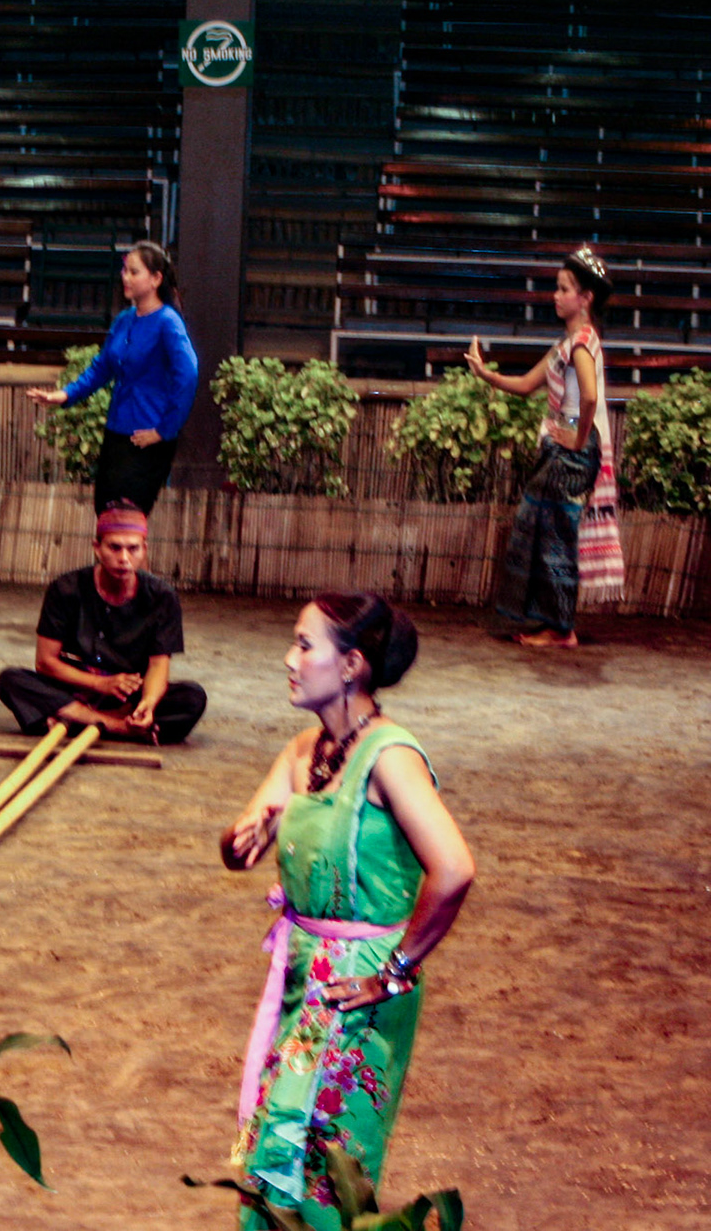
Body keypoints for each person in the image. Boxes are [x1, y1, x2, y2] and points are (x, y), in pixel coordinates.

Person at [220, 592, 474, 1229]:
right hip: (305, 971)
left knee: (325, 1156)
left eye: (305, 646)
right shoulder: (305, 751)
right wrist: (243, 837)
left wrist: (393, 973)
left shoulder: (390, 758)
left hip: (358, 988)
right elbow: (238, 845)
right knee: (282, 1141)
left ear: (353, 664)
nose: (290, 659)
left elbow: (454, 870)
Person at [466, 246, 625, 647]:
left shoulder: (582, 341)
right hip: (564, 448)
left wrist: (577, 436)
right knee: (537, 530)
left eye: (563, 288)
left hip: (572, 451)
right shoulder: (567, 343)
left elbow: (588, 396)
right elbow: (524, 385)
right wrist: (485, 374)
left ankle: (560, 629)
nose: (556, 295)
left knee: (554, 536)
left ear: (585, 298)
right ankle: (548, 621)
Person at [0, 502, 206, 743]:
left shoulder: (162, 597)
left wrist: (148, 702)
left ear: (144, 550)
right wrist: (100, 683)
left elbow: (158, 666)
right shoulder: (65, 589)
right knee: (11, 680)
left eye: (133, 549)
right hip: (74, 688)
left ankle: (74, 722)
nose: (124, 558)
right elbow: (45, 662)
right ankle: (117, 728)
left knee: (192, 697)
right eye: (114, 548)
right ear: (97, 548)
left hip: (127, 697)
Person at [25, 241, 198, 513]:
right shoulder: (124, 320)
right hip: (117, 432)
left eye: (133, 271)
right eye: (124, 270)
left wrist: (165, 430)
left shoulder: (168, 322)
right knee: (105, 515)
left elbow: (188, 375)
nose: (125, 277)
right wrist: (66, 394)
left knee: (128, 521)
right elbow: (102, 367)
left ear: (155, 279)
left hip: (147, 436)